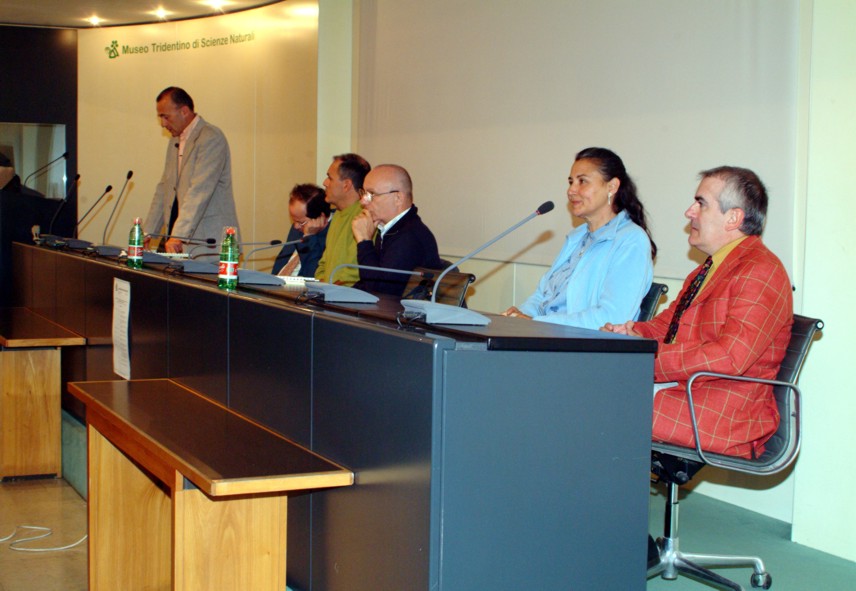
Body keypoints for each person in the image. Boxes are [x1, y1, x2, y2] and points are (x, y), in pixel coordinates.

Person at [602, 166, 793, 459]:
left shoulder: (761, 270)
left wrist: (646, 360)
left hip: (723, 411)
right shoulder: (707, 270)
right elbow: (668, 325)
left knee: (594, 401)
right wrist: (630, 334)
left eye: (701, 203)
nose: (689, 212)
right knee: (587, 390)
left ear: (734, 217)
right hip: (687, 389)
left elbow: (730, 356)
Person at [502, 147, 655, 329]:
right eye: (570, 182)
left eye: (582, 181)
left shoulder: (631, 240)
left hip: (584, 347)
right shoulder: (578, 236)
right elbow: (542, 296)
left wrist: (536, 323)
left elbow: (612, 317)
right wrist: (518, 317)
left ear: (612, 186)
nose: (571, 190)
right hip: (546, 336)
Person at [143, 86, 240, 259]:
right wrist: (147, 234)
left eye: (166, 117)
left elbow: (199, 191)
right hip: (177, 241)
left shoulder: (210, 137)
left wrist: (177, 235)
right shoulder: (175, 141)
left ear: (184, 111)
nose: (163, 124)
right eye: (160, 117)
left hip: (207, 244)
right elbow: (164, 189)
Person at [350, 164, 444, 296]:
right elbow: (367, 283)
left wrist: (364, 241)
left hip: (400, 314)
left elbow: (379, 291)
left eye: (371, 194)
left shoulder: (410, 237)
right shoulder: (390, 230)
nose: (363, 202)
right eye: (363, 193)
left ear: (398, 198)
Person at [314, 153, 371, 285]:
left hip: (345, 299)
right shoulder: (338, 214)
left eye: (330, 178)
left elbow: (353, 273)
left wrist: (328, 290)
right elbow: (324, 263)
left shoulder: (365, 216)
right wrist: (321, 283)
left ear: (346, 185)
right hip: (328, 294)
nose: (324, 183)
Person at [272, 183, 331, 278]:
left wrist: (310, 237)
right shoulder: (297, 228)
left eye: (300, 222)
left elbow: (311, 276)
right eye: (294, 220)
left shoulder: (331, 234)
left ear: (320, 217)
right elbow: (280, 267)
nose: (296, 226)